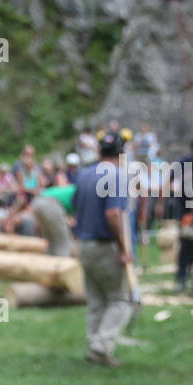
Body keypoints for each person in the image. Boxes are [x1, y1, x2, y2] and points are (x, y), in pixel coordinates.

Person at [72, 132, 133, 366]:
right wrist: (123, 247)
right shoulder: (117, 176)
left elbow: (76, 208)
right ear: (121, 153)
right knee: (119, 300)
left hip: (84, 245)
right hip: (104, 245)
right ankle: (102, 344)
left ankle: (95, 346)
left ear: (99, 151)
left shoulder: (84, 175)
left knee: (96, 300)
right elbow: (113, 214)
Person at [168, 137, 193, 290]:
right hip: (185, 209)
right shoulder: (182, 163)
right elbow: (168, 182)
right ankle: (181, 277)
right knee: (186, 243)